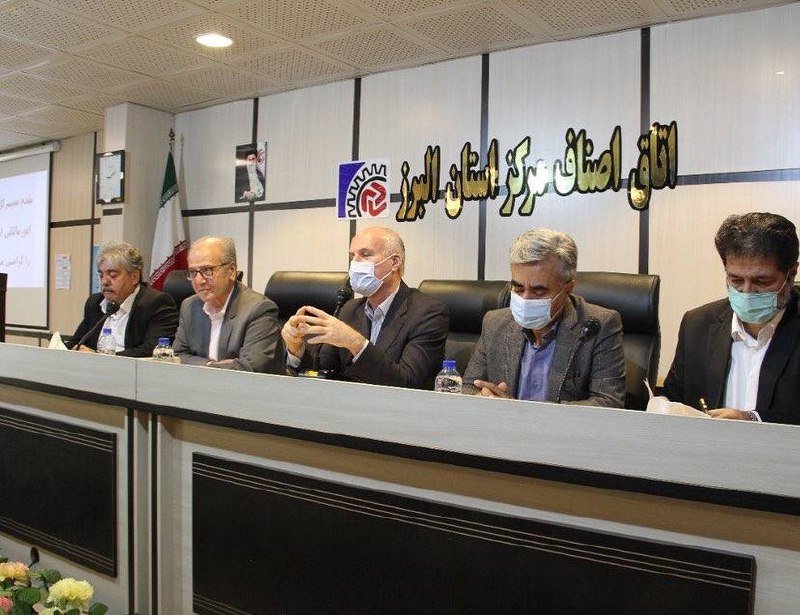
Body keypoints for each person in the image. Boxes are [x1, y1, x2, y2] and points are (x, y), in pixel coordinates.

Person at [463, 228, 625, 407]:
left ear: (568, 289)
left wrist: (520, 412)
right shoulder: (494, 323)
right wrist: (484, 397)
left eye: (539, 291)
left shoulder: (598, 325)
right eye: (518, 288)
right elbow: (469, 387)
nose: (525, 298)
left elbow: (608, 402)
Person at [663, 212, 800, 424]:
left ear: (791, 274)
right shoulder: (697, 325)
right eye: (735, 280)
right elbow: (674, 400)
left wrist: (752, 420)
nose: (747, 291)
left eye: (762, 281)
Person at [281, 226, 449, 389]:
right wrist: (296, 349)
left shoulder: (428, 313)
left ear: (394, 262)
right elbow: (323, 374)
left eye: (365, 254)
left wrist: (356, 343)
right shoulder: (349, 309)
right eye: (352, 256)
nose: (355, 263)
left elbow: (408, 383)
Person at [173, 236, 280, 372]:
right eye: (193, 272)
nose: (199, 281)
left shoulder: (258, 309)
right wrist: (210, 365)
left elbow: (250, 367)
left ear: (231, 270)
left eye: (207, 270)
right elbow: (177, 356)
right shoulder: (189, 306)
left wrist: (198, 364)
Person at [70, 242, 178, 357]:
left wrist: (100, 357)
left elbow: (153, 350)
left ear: (134, 277)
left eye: (112, 275)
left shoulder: (156, 303)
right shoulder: (95, 302)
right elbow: (76, 342)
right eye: (101, 275)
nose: (104, 281)